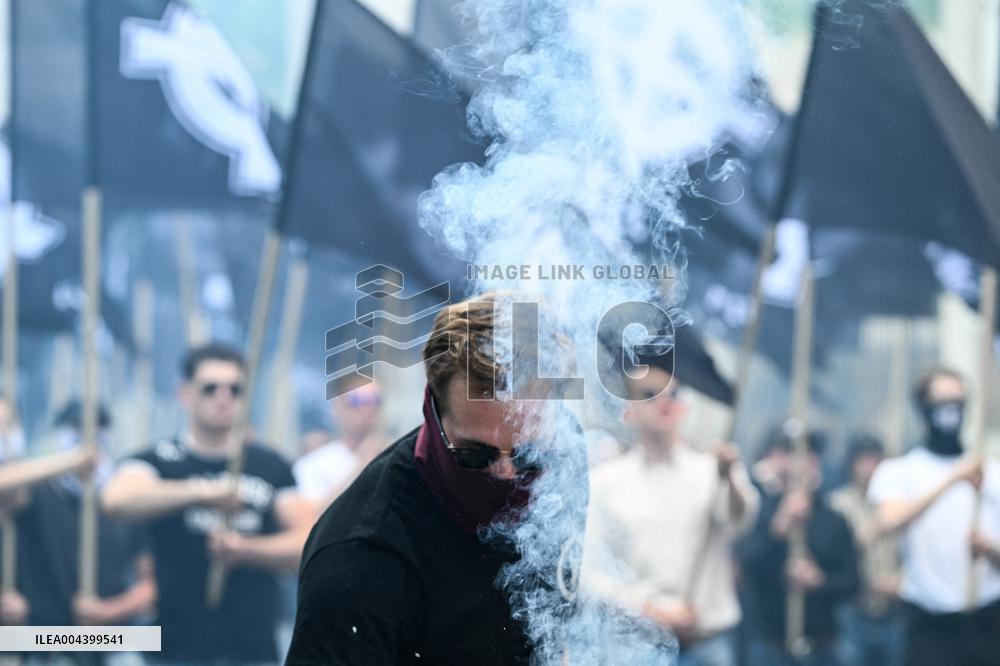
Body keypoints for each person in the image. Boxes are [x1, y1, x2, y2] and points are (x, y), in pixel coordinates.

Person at [286, 294, 556, 664]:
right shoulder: (361, 559)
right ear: (432, 411)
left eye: (528, 455)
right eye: (476, 455)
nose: (508, 474)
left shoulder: (561, 471)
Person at [102, 343, 315, 665]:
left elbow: (311, 541)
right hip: (174, 648)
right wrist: (202, 492)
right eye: (210, 388)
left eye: (235, 389)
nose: (223, 396)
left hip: (251, 648)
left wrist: (246, 550)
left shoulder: (269, 465)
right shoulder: (159, 461)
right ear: (185, 393)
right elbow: (116, 500)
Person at [580, 351, 759, 666]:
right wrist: (654, 613)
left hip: (708, 645)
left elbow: (739, 519)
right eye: (649, 395)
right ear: (628, 410)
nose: (664, 402)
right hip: (637, 646)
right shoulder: (605, 483)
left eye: (673, 393)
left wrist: (729, 478)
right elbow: (593, 575)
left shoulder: (712, 470)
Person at [867, 367, 1000, 665]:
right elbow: (888, 521)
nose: (952, 410)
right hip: (929, 622)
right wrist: (953, 480)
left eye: (958, 401)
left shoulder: (992, 473)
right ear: (924, 407)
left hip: (987, 620)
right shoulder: (899, 471)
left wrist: (989, 548)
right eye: (943, 401)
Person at [6, 402, 155, 665]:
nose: (89, 437)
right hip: (46, 640)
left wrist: (108, 612)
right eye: (77, 428)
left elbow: (149, 585)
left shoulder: (120, 501)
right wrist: (67, 462)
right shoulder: (37, 496)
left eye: (98, 429)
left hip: (113, 640)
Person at [740, 426, 858, 666]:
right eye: (791, 452)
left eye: (808, 453)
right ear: (774, 458)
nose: (801, 462)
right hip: (769, 644)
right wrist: (780, 526)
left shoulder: (833, 518)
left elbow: (853, 582)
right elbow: (746, 566)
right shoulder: (757, 508)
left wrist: (819, 580)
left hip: (822, 645)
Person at [829, 434, 903, 666]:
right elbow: (833, 553)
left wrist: (899, 582)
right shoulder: (837, 505)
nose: (870, 467)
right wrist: (868, 533)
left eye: (876, 460)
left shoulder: (898, 504)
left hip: (893, 610)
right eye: (865, 460)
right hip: (854, 610)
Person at [292, 375, 387, 506]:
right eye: (357, 401)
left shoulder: (397, 456)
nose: (367, 409)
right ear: (337, 406)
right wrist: (362, 465)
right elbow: (313, 518)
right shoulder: (312, 465)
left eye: (375, 401)